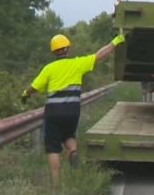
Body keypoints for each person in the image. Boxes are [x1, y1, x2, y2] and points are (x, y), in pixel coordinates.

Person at [21, 32, 126, 186]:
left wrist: (25, 94)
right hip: (72, 112)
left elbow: (34, 87)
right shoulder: (78, 64)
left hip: (53, 113)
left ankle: (56, 185)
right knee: (69, 136)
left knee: (53, 148)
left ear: (54, 52)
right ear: (68, 50)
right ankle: (73, 152)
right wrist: (116, 41)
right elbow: (100, 55)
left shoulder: (49, 69)